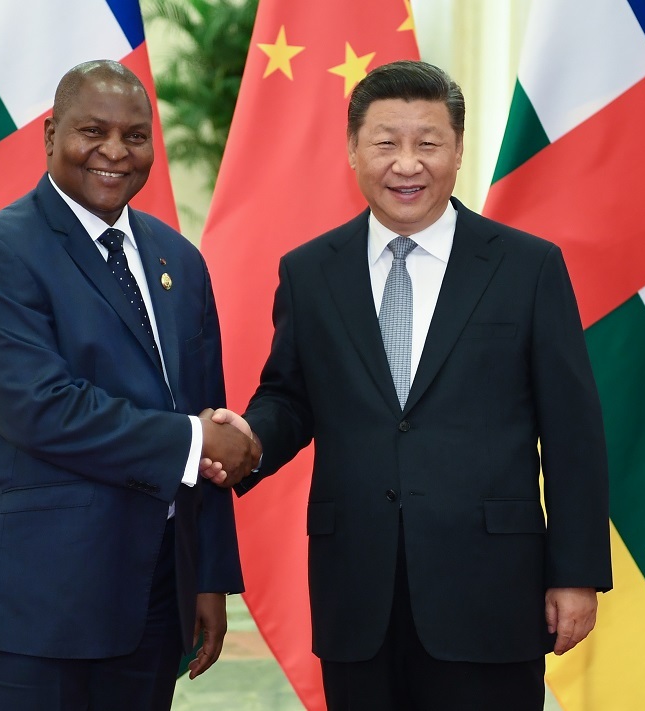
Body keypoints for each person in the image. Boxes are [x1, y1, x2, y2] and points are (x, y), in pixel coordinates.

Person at [202, 60, 612, 711]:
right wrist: (248, 438)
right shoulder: (310, 272)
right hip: (358, 590)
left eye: (428, 142)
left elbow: (573, 431)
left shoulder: (527, 267)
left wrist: (577, 573)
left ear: (458, 149)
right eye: (386, 142)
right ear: (352, 149)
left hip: (491, 591)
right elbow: (291, 398)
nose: (407, 164)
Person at [0, 59, 260, 711]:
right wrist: (192, 440)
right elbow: (40, 408)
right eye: (93, 131)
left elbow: (204, 417)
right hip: (31, 594)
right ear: (50, 135)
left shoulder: (179, 260)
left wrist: (207, 576)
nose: (115, 152)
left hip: (153, 589)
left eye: (135, 136)